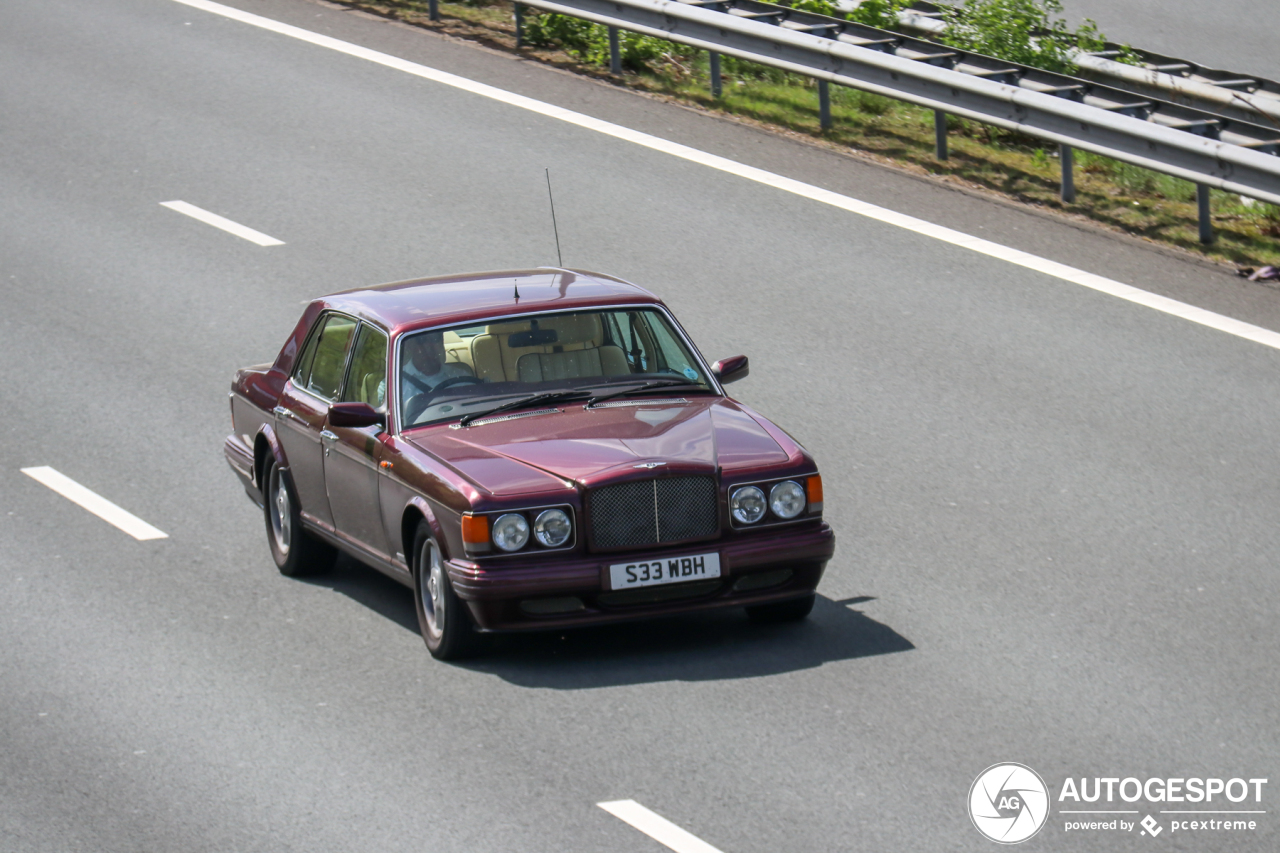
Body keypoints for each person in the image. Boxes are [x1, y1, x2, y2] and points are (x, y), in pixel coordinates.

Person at [395, 331, 474, 418]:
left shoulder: (463, 378)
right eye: (421, 340)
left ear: (442, 342)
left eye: (435, 338)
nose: (429, 346)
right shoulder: (394, 385)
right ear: (409, 345)